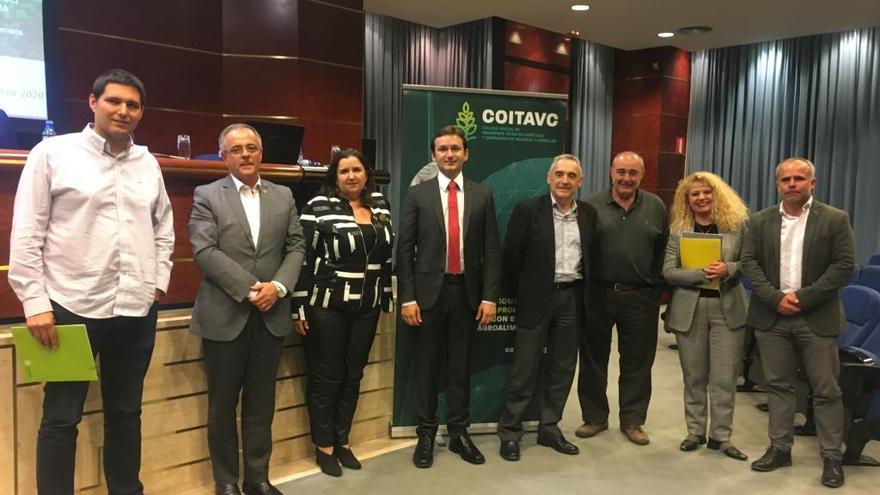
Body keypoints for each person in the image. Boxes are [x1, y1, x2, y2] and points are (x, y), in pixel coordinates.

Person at [8, 68, 174, 495]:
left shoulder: (148, 163)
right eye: (114, 101)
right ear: (92, 102)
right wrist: (35, 303)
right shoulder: (52, 153)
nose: (123, 110)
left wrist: (157, 282)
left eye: (132, 104)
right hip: (67, 307)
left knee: (126, 412)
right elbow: (28, 231)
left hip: (136, 309)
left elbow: (163, 228)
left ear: (141, 112)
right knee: (61, 417)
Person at [188, 123, 305, 495]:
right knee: (222, 406)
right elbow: (204, 251)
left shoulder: (283, 195)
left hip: (271, 317)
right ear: (224, 156)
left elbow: (296, 246)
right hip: (226, 315)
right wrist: (250, 289)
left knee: (261, 405)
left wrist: (280, 287)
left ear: (261, 153)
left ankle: (257, 479)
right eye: (236, 149)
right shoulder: (207, 194)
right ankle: (226, 481)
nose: (245, 155)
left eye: (251, 148)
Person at [741, 157, 854, 488]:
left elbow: (843, 266)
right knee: (777, 386)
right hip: (772, 317)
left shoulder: (834, 219)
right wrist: (776, 298)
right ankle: (780, 448)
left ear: (812, 184)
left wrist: (802, 298)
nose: (792, 184)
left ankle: (832, 455)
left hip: (816, 317)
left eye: (799, 179)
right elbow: (749, 263)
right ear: (777, 184)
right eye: (785, 179)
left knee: (826, 389)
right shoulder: (759, 221)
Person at [397, 125, 501, 468]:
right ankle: (426, 434)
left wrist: (489, 297)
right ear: (433, 155)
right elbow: (405, 250)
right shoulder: (417, 195)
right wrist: (408, 298)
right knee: (427, 367)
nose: (449, 154)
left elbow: (491, 250)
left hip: (467, 294)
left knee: (461, 366)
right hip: (427, 296)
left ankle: (458, 433)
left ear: (466, 154)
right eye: (442, 149)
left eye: (456, 148)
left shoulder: (482, 194)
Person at [292, 149, 394, 477]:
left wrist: (388, 297)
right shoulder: (317, 207)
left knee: (353, 375)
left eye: (357, 170)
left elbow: (387, 257)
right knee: (328, 376)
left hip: (368, 305)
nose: (351, 176)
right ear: (334, 177)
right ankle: (324, 446)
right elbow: (303, 259)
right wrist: (298, 305)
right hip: (327, 304)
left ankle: (342, 440)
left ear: (367, 174)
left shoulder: (380, 205)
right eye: (344, 171)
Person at [496, 154, 597, 461]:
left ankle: (549, 428)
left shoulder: (589, 214)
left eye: (572, 176)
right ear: (549, 178)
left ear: (580, 181)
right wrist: (526, 292)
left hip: (572, 299)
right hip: (536, 299)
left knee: (562, 368)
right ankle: (510, 432)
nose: (565, 180)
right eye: (560, 174)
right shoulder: (528, 210)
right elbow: (511, 259)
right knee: (524, 369)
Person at [576, 151, 668, 445]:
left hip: (640, 297)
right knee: (593, 360)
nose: (626, 178)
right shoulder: (590, 205)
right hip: (598, 294)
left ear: (642, 175)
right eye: (621, 172)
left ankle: (632, 421)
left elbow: (664, 249)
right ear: (610, 172)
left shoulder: (655, 206)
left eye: (633, 173)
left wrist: (654, 288)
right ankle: (594, 418)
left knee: (638, 362)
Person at [662, 171, 750, 460]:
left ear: (717, 195)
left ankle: (721, 436)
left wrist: (730, 269)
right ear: (687, 200)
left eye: (706, 192)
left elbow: (750, 264)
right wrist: (700, 273)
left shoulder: (737, 227)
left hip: (728, 308)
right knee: (694, 376)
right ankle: (695, 432)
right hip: (691, 307)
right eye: (694, 194)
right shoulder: (678, 230)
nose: (700, 198)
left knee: (725, 378)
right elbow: (669, 271)